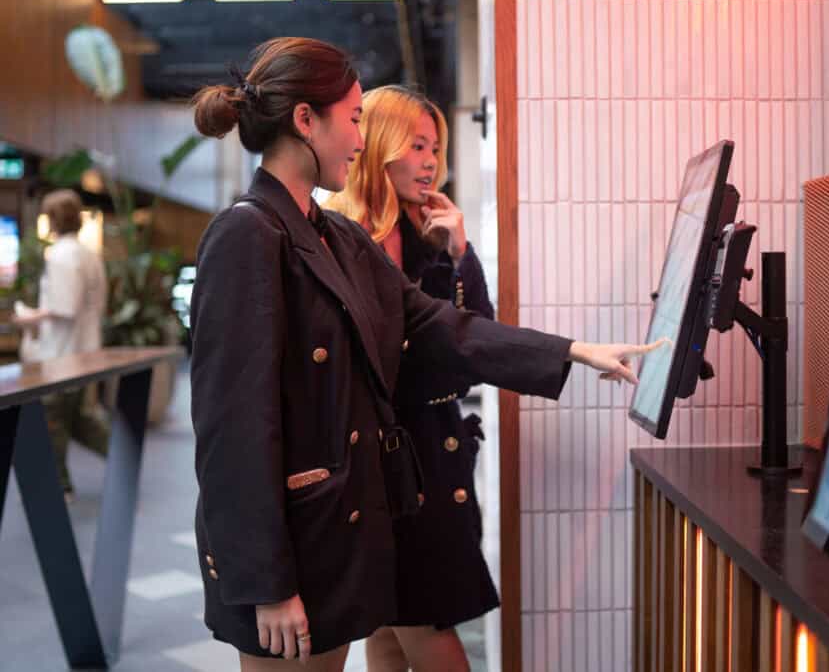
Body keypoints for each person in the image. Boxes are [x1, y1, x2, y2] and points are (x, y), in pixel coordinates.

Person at [189, 37, 657, 671]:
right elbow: (231, 428)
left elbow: (443, 326)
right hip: (291, 553)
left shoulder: (335, 236)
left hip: (333, 537)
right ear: (305, 120)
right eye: (353, 119)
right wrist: (264, 582)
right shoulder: (247, 233)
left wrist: (574, 351)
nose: (359, 139)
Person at [324, 85, 499, 671]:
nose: (429, 162)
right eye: (416, 145)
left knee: (401, 624)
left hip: (426, 458)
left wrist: (458, 250)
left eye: (435, 148)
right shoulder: (341, 237)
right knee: (406, 627)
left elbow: (474, 338)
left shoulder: (424, 234)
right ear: (378, 147)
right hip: (380, 467)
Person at [14, 189, 109, 500]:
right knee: (76, 418)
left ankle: (59, 487)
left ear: (53, 219)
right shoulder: (87, 254)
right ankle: (122, 456)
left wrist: (29, 318)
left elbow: (64, 307)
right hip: (83, 348)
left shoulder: (63, 255)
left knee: (51, 420)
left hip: (63, 353)